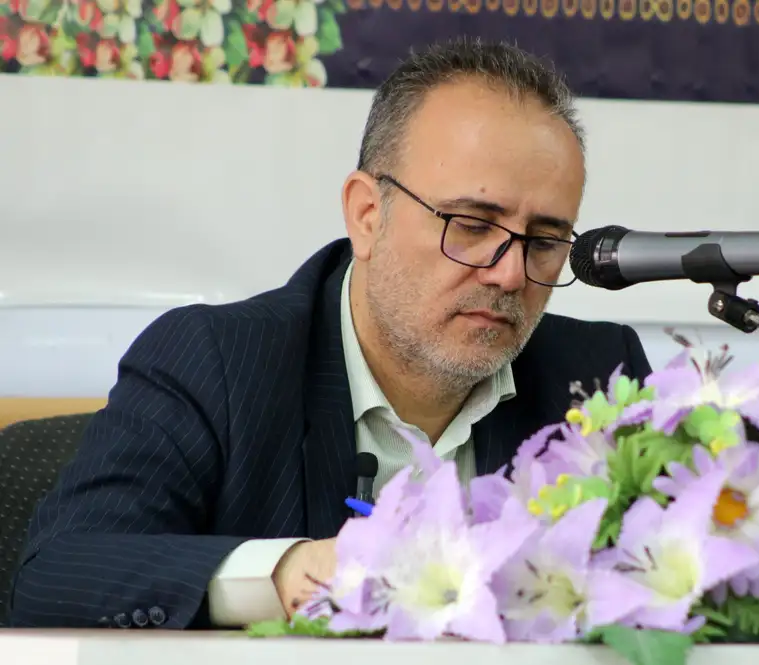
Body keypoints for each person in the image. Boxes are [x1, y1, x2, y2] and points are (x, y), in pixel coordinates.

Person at [8, 37, 652, 630]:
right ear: (367, 215)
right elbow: (57, 578)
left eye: (544, 241)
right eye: (471, 225)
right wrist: (284, 574)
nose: (509, 273)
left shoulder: (596, 377)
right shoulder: (215, 363)